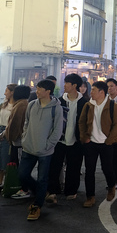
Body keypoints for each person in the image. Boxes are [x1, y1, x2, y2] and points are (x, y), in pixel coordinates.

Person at [18, 79, 63, 221]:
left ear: (48, 91)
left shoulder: (56, 108)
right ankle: (41, 193)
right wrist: (25, 138)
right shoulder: (31, 105)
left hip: (45, 151)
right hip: (29, 148)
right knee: (22, 175)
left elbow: (57, 130)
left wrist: (48, 145)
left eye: (39, 89)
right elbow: (26, 123)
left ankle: (37, 206)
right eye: (37, 88)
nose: (36, 91)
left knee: (43, 179)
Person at [78, 81, 117, 207]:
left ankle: (111, 187)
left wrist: (109, 140)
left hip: (106, 143)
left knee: (107, 168)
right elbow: (81, 122)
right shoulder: (88, 105)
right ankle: (90, 196)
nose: (90, 92)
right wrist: (84, 137)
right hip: (90, 143)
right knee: (89, 170)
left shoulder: (113, 106)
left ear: (101, 92)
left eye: (93, 90)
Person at [46, 73, 87, 203]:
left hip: (76, 139)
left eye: (67, 83)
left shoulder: (84, 103)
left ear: (74, 85)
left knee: (74, 166)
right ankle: (53, 190)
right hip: (59, 139)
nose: (64, 86)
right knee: (55, 165)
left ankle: (71, 190)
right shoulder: (59, 101)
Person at [0, 84, 16, 193]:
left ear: (12, 92)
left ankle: (7, 182)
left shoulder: (17, 105)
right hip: (0, 130)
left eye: (7, 91)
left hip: (9, 132)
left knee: (6, 158)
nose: (5, 93)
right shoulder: (2, 105)